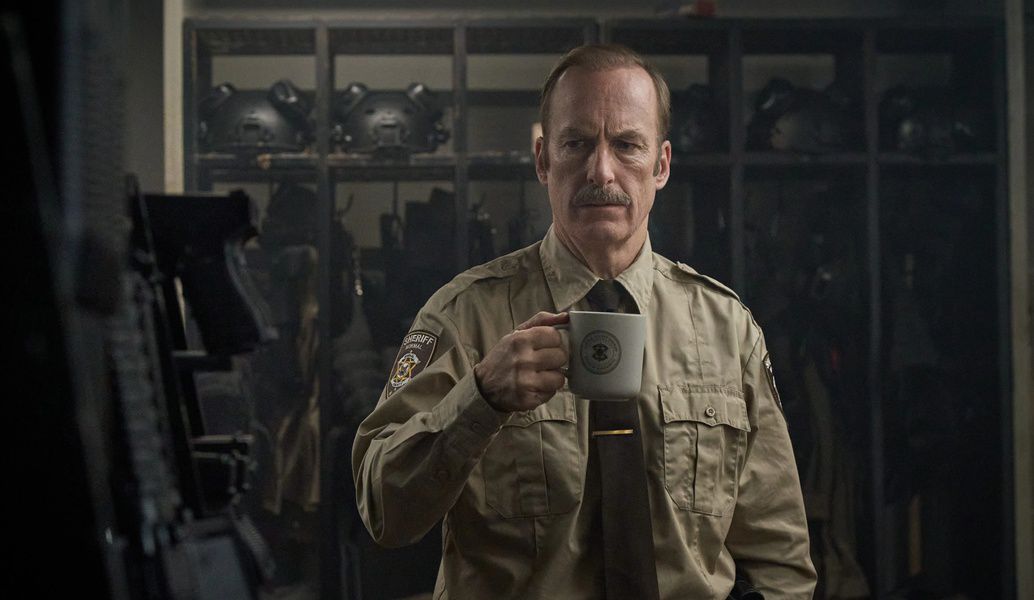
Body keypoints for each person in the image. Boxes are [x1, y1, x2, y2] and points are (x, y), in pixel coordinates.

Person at [352, 44, 817, 599]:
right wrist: (481, 399)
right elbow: (384, 512)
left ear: (661, 165)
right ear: (543, 160)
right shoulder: (463, 317)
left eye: (627, 145)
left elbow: (780, 559)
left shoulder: (726, 329)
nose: (601, 170)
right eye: (576, 144)